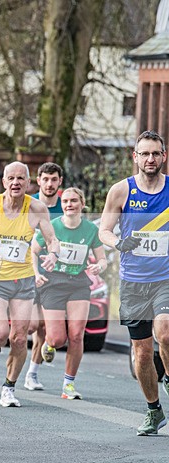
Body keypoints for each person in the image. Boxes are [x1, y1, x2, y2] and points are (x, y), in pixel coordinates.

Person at [99, 130, 169, 435]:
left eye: (156, 153)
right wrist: (118, 243)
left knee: (165, 332)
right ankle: (154, 410)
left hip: (164, 277)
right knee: (141, 352)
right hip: (132, 282)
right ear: (135, 157)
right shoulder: (121, 191)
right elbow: (104, 229)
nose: (150, 159)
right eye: (145, 154)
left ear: (164, 156)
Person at [0, 162, 58, 408]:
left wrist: (53, 254)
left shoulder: (36, 208)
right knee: (0, 333)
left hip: (22, 280)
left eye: (21, 179)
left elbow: (52, 239)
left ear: (28, 182)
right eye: (11, 178)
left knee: (21, 337)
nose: (16, 183)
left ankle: (9, 387)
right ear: (4, 182)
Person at [31, 188, 105, 399]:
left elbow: (102, 258)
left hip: (78, 284)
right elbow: (34, 250)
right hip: (53, 283)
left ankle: (68, 385)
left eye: (74, 201)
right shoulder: (52, 227)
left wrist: (99, 266)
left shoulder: (91, 229)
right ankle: (48, 343)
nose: (69, 204)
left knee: (76, 335)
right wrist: (36, 273)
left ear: (82, 204)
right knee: (57, 339)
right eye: (65, 201)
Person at [26, 162, 65, 387]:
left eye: (54, 180)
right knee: (30, 325)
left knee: (42, 327)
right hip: (25, 270)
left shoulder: (65, 206)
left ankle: (32, 373)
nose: (49, 184)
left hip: (52, 274)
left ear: (59, 182)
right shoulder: (28, 204)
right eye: (45, 179)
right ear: (38, 180)